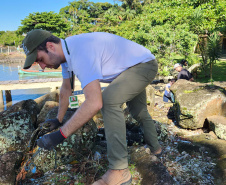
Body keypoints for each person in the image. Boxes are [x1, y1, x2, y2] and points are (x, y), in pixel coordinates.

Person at [22, 29, 161, 185]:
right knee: (139, 113)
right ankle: (156, 149)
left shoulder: (80, 52)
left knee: (109, 101)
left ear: (50, 46)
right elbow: (66, 89)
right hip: (128, 70)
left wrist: (60, 135)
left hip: (143, 65)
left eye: (40, 59)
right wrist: (58, 119)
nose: (41, 66)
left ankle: (119, 171)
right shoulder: (66, 56)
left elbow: (94, 102)